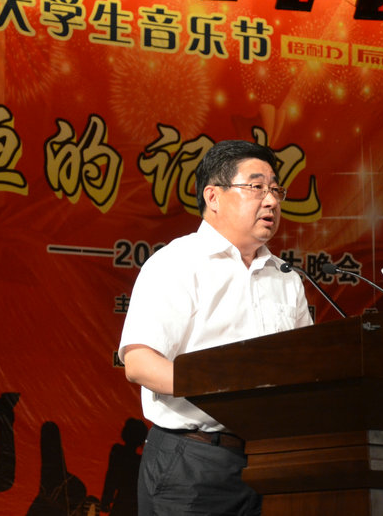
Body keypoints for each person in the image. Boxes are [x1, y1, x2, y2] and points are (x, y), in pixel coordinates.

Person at [118, 140, 311, 515]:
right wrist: (225, 388)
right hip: (193, 460)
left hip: (272, 461)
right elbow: (140, 364)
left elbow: (304, 367)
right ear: (213, 196)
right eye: (256, 187)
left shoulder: (286, 277)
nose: (271, 201)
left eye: (276, 190)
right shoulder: (177, 263)